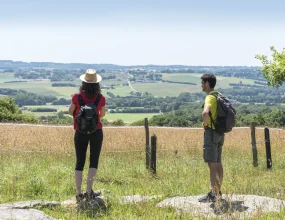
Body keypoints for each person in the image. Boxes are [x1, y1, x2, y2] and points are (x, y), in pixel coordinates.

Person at [68, 69, 106, 203]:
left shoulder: (76, 96)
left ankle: (79, 193)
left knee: (79, 162)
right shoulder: (101, 98)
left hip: (80, 132)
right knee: (93, 161)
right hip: (96, 132)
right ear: (97, 83)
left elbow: (69, 111)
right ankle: (89, 192)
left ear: (83, 82)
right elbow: (102, 115)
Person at [198, 74, 224, 203]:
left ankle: (213, 194)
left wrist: (206, 125)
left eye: (202, 82)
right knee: (218, 162)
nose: (201, 85)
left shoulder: (209, 97)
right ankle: (218, 191)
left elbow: (205, 112)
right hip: (220, 132)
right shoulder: (218, 95)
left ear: (207, 83)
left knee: (211, 163)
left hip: (211, 132)